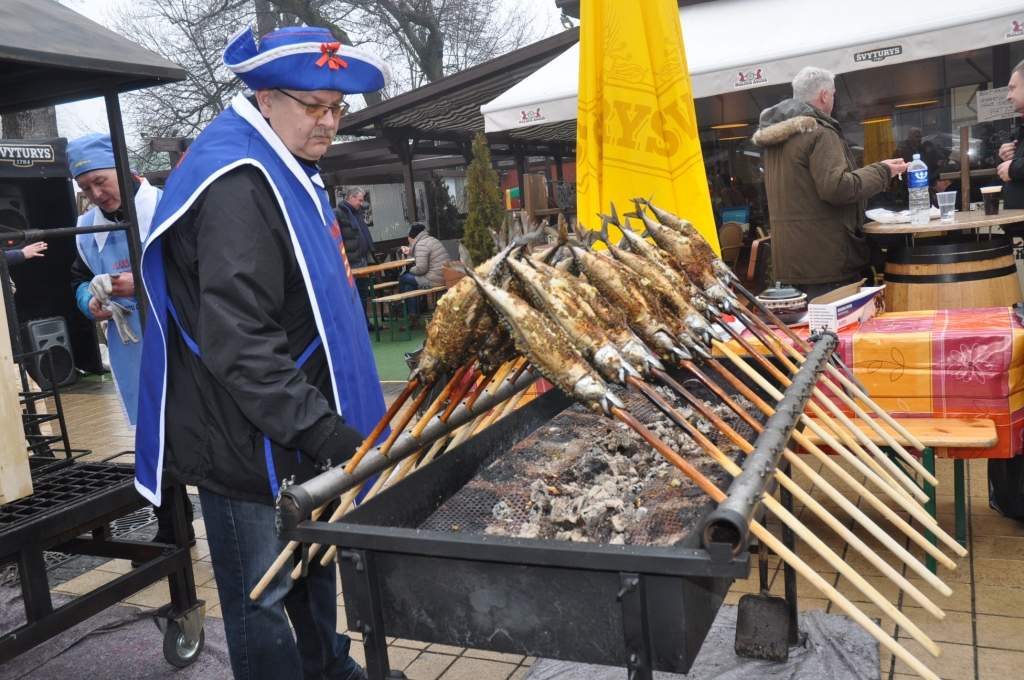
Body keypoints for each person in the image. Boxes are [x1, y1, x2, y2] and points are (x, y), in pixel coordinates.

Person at [134, 25, 390, 680]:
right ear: (267, 96)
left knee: (311, 565)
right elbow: (238, 337)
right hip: (249, 439)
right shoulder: (238, 182)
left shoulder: (281, 161)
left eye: (338, 108)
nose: (330, 122)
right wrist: (323, 428)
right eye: (315, 106)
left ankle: (329, 669)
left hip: (291, 423)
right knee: (263, 596)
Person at [65, 132, 195, 550]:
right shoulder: (87, 226)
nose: (95, 194)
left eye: (100, 181)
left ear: (124, 168)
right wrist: (90, 300)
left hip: (182, 342)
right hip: (133, 349)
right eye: (85, 188)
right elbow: (78, 277)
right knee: (153, 440)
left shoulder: (167, 205)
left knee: (194, 431)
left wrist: (140, 283)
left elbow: (199, 269)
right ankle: (173, 527)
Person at [752, 66, 907, 300]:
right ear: (824, 95)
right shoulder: (820, 132)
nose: (834, 99)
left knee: (807, 333)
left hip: (790, 262)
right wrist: (883, 171)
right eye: (833, 94)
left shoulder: (776, 137)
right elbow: (838, 188)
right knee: (836, 333)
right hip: (826, 261)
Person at [398, 222, 448, 323]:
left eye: (409, 241)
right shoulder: (431, 240)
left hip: (433, 280)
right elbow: (422, 254)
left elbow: (421, 269)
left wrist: (410, 269)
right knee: (408, 286)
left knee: (403, 278)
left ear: (413, 238)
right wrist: (411, 250)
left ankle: (408, 312)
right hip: (443, 276)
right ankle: (412, 314)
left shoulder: (421, 244)